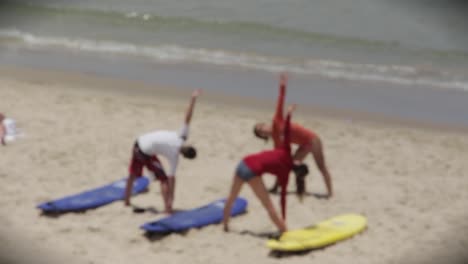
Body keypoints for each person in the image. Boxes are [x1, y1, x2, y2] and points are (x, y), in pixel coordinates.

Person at [223, 104, 306, 233]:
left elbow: (287, 132)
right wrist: (288, 114)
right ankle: (283, 230)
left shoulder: (286, 151)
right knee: (268, 205)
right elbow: (283, 198)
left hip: (243, 163)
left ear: (297, 164)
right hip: (252, 171)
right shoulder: (285, 174)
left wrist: (289, 113)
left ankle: (225, 226)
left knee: (232, 197)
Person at [253, 73, 333, 199]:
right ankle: (278, 187)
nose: (263, 130)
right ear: (263, 136)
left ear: (265, 125)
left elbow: (280, 99)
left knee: (321, 166)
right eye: (260, 132)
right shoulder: (276, 141)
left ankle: (330, 193)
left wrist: (283, 85)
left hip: (313, 140)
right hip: (304, 145)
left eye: (261, 127)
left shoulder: (277, 120)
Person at [124, 89, 201, 214]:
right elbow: (171, 180)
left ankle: (126, 200)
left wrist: (193, 99)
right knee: (163, 179)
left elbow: (188, 117)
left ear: (189, 145)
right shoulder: (174, 157)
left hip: (138, 143)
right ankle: (167, 209)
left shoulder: (182, 135)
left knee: (132, 174)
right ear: (184, 156)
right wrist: (172, 199)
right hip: (145, 152)